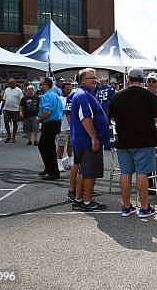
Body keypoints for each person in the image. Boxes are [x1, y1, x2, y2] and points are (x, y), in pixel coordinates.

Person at [108, 67, 157, 218]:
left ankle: (126, 206)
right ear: (143, 80)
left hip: (123, 140)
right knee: (142, 173)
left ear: (128, 79)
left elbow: (111, 117)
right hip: (144, 140)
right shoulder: (150, 96)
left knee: (125, 173)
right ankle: (144, 207)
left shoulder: (117, 95)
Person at [70, 68, 109, 211]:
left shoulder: (84, 94)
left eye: (95, 77)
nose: (95, 80)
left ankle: (79, 199)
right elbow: (86, 118)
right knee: (89, 173)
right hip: (87, 141)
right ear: (82, 81)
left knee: (83, 171)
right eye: (91, 78)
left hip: (82, 140)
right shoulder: (83, 95)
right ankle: (87, 201)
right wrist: (93, 137)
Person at [36, 77, 63, 180]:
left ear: (46, 85)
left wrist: (39, 120)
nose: (40, 86)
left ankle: (53, 171)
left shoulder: (46, 96)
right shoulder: (55, 95)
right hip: (55, 122)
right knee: (46, 147)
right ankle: (49, 168)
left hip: (50, 123)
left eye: (41, 84)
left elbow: (47, 111)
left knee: (46, 147)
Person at [56, 82, 74, 174]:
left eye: (70, 89)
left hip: (72, 126)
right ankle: (59, 162)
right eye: (67, 89)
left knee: (71, 145)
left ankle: (70, 161)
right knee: (61, 145)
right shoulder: (59, 99)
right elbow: (57, 113)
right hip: (62, 126)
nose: (69, 91)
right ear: (62, 89)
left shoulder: (73, 98)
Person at [0, 78, 23, 143]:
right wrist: (1, 108)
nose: (9, 84)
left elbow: (21, 101)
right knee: (6, 122)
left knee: (15, 123)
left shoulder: (19, 90)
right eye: (8, 83)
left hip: (15, 110)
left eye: (10, 83)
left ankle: (14, 137)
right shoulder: (7, 90)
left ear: (14, 83)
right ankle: (9, 136)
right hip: (7, 109)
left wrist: (21, 111)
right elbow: (4, 100)